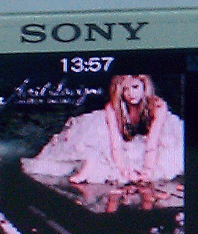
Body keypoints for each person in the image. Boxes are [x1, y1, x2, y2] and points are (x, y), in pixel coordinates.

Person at [20, 75, 184, 185]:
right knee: (96, 130)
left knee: (168, 149)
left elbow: (152, 143)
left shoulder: (158, 106)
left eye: (135, 87)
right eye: (125, 89)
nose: (131, 93)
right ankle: (89, 163)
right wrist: (123, 169)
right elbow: (115, 144)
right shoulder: (113, 108)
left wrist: (148, 170)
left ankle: (129, 169)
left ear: (144, 86)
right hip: (121, 140)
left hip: (151, 142)